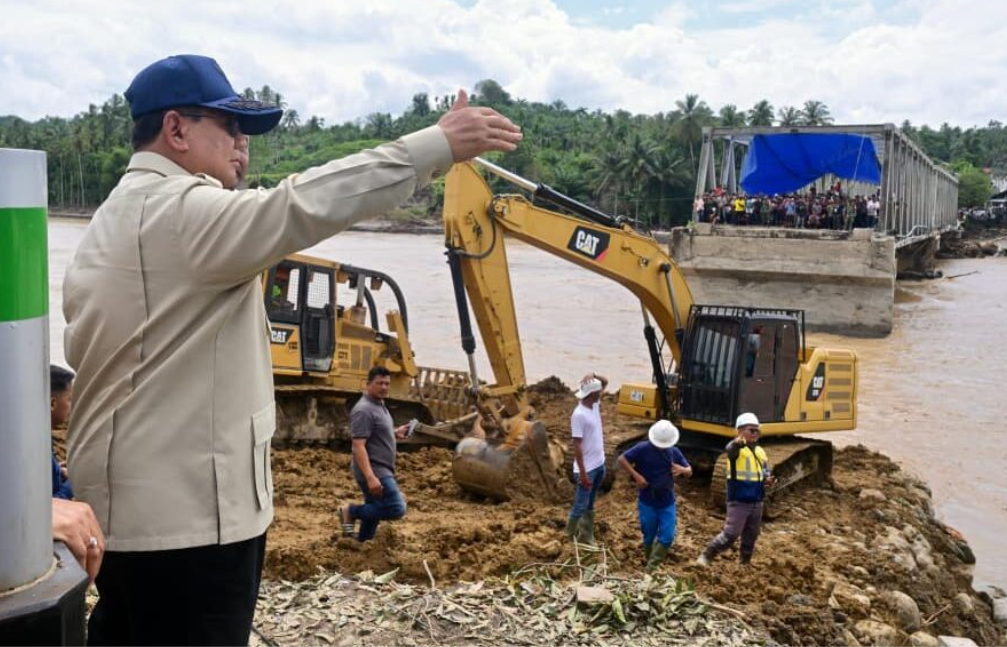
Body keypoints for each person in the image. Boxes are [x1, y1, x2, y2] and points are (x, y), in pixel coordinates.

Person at [62, 54, 521, 646]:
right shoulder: (185, 212)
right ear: (175, 129)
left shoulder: (110, 220)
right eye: (229, 127)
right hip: (195, 533)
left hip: (117, 523)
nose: (242, 146)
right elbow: (303, 203)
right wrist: (434, 146)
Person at [696, 412, 775, 567]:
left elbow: (765, 471)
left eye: (757, 430)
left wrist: (767, 479)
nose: (755, 433)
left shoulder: (760, 451)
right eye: (751, 430)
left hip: (757, 500)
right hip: (739, 500)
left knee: (751, 535)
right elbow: (730, 449)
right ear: (740, 431)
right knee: (731, 534)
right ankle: (707, 555)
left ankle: (744, 563)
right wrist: (736, 443)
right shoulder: (736, 450)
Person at [340, 367, 409, 542]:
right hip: (375, 470)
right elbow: (358, 446)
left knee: (375, 507)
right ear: (368, 384)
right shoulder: (364, 410)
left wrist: (395, 432)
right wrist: (370, 477)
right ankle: (351, 511)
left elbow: (374, 433)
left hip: (380, 468)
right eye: (380, 383)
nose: (384, 387)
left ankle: (362, 543)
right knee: (396, 508)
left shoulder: (378, 405)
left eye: (387, 383)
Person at [618, 420, 692, 571]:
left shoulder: (673, 451)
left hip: (667, 501)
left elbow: (689, 470)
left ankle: (651, 567)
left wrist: (683, 470)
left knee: (667, 536)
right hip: (647, 500)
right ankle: (649, 558)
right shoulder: (642, 448)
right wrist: (636, 476)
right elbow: (622, 459)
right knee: (649, 535)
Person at [565, 372, 609, 545]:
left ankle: (586, 535)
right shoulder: (579, 414)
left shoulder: (595, 404)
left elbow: (605, 381)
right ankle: (568, 535)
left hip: (599, 464)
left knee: (590, 503)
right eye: (598, 391)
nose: (601, 393)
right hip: (587, 469)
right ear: (592, 394)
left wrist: (594, 374)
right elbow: (576, 446)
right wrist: (583, 474)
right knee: (580, 505)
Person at [50, 365, 75, 500]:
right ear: (52, 403)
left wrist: (57, 471)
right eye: (69, 399)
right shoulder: (39, 446)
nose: (71, 406)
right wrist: (73, 481)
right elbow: (52, 505)